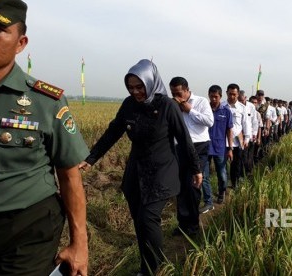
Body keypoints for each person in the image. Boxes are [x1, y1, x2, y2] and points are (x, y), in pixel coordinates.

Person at [0, 1, 89, 275]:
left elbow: (70, 176)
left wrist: (79, 243)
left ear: (21, 43)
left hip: (26, 227)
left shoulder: (45, 101)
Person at [79, 60, 202, 276]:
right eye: (131, 87)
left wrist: (196, 169)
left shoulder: (167, 106)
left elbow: (184, 139)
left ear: (151, 82)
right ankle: (148, 265)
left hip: (162, 170)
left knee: (148, 218)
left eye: (140, 86)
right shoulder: (129, 105)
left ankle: (156, 269)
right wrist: (91, 158)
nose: (135, 92)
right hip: (136, 171)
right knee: (139, 220)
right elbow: (113, 132)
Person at [169, 77, 213, 229]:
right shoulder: (172, 105)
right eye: (173, 93)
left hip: (199, 146)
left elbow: (209, 121)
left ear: (187, 90)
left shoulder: (201, 102)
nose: (176, 97)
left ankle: (193, 224)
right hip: (179, 146)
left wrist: (190, 110)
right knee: (180, 185)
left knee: (193, 184)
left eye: (179, 93)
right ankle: (183, 223)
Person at [202, 85, 233, 206]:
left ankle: (222, 192)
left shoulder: (226, 112)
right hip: (204, 147)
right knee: (204, 175)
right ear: (208, 95)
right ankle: (208, 200)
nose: (214, 99)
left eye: (216, 97)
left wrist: (230, 148)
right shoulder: (204, 110)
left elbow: (229, 130)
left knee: (222, 173)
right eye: (211, 96)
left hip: (220, 148)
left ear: (220, 97)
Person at [224, 84, 251, 189]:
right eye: (230, 94)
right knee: (223, 163)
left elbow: (246, 123)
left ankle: (234, 183)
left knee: (236, 163)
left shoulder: (242, 108)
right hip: (224, 140)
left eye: (234, 94)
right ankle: (223, 184)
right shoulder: (222, 106)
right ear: (226, 93)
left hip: (237, 140)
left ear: (238, 94)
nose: (231, 96)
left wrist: (247, 138)